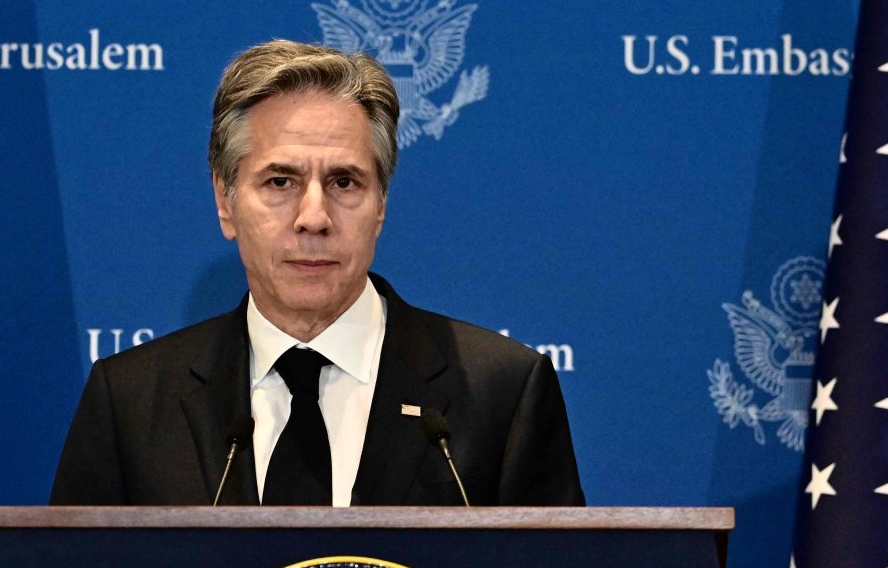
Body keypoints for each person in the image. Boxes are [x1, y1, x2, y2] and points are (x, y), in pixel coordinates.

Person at [50, 40, 583, 507]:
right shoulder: (130, 401)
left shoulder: (502, 393)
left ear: (381, 205)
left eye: (345, 182)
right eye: (280, 181)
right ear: (225, 201)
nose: (314, 217)